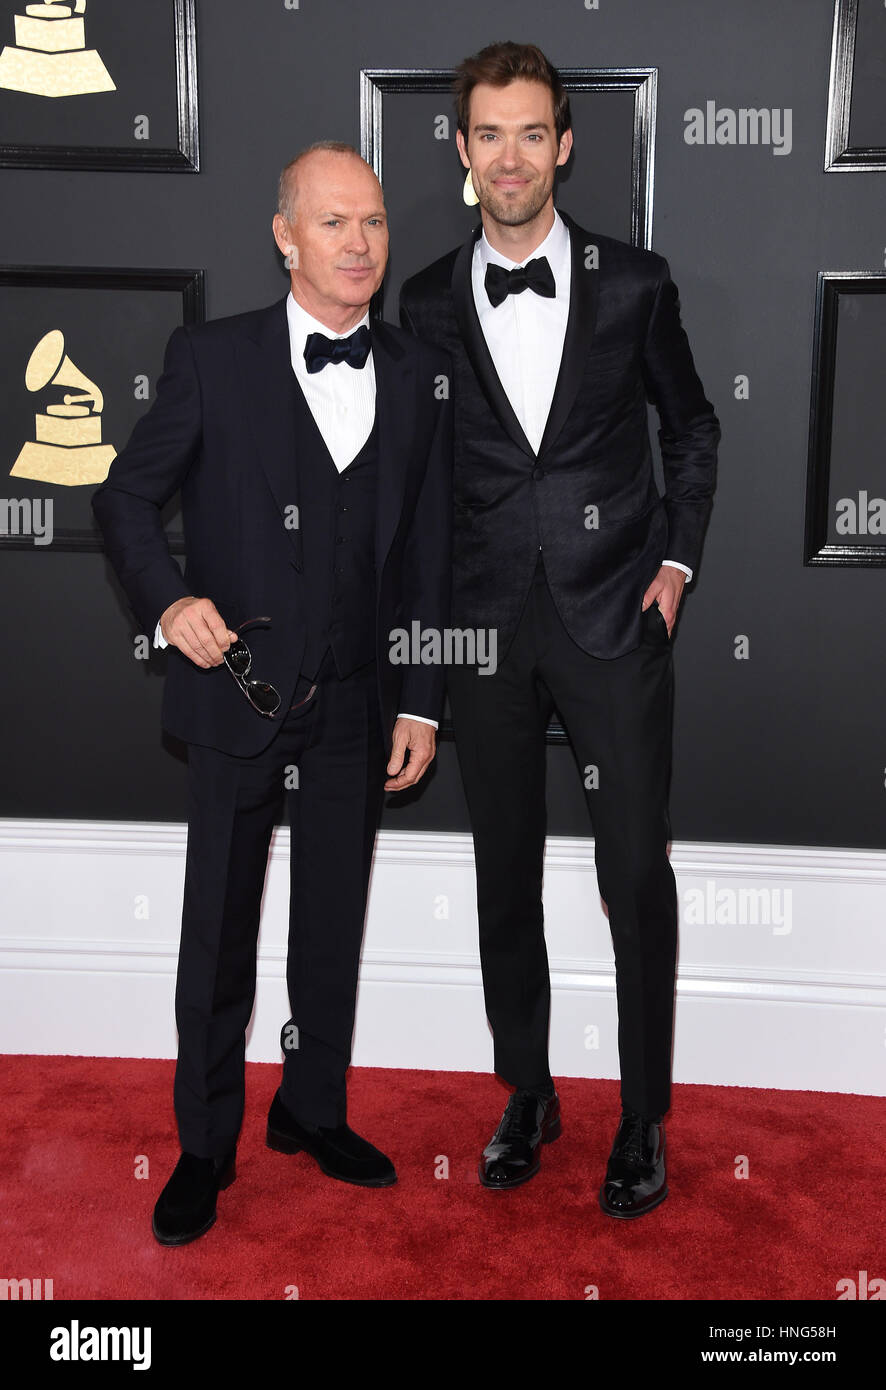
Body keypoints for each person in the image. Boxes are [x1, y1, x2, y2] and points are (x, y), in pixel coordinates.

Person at [93, 142, 452, 1244]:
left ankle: (311, 1109)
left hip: (357, 700)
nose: (359, 244)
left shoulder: (414, 372)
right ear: (285, 236)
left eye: (376, 223)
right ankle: (205, 1146)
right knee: (217, 935)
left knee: (330, 926)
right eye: (334, 223)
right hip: (236, 691)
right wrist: (169, 605)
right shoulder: (211, 358)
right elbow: (124, 498)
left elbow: (430, 547)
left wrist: (421, 697)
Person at [400, 42, 719, 1217]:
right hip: (483, 626)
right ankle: (526, 1091)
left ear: (565, 145)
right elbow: (420, 483)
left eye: (532, 133)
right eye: (490, 134)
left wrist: (675, 561)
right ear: (461, 149)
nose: (511, 156)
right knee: (501, 875)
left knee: (635, 873)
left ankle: (642, 1119)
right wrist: (420, 666)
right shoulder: (425, 298)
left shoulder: (635, 283)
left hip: (610, 612)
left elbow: (690, 429)